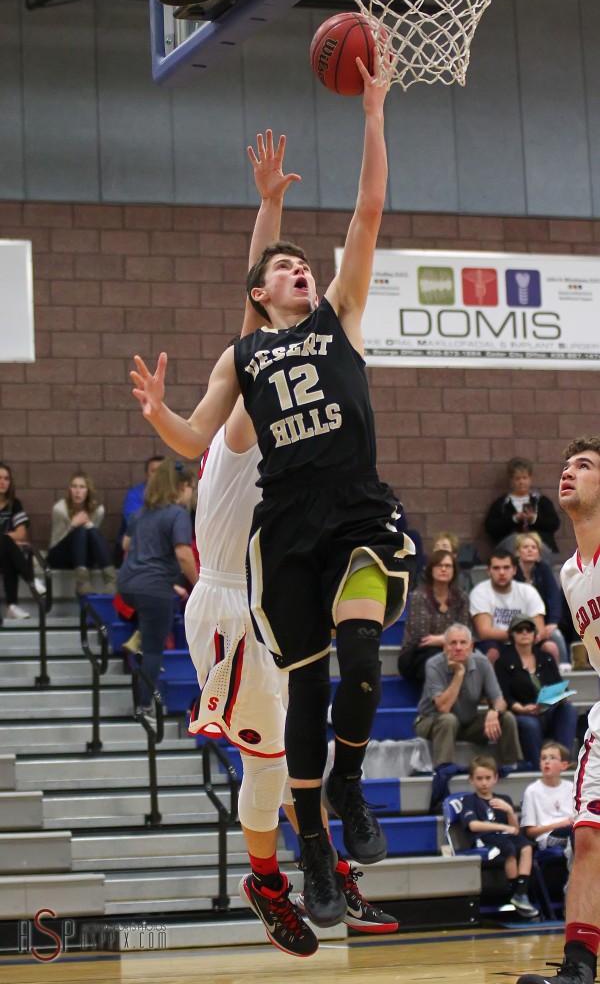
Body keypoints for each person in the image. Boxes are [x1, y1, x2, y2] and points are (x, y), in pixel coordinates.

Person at [130, 55, 417, 929]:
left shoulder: (330, 322)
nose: (296, 271)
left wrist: (368, 116)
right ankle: (285, 875)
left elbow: (358, 222)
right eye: (279, 269)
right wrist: (160, 412)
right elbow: (211, 395)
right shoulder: (246, 374)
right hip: (244, 582)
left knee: (350, 679)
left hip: (336, 524)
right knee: (269, 756)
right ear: (258, 298)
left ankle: (328, 833)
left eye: (302, 266)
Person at [185, 130, 396, 955]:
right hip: (233, 602)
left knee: (300, 732)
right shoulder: (245, 398)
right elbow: (254, 310)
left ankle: (321, 854)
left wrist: (272, 206)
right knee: (269, 762)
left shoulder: (281, 370)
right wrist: (269, 212)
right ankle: (273, 880)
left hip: (278, 582)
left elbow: (265, 303)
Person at [518, 438, 600, 984]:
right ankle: (577, 968)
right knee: (588, 835)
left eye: (585, 466)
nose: (568, 472)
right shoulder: (569, 573)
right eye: (567, 465)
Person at [118, 459, 198, 720]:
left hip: (128, 583)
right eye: (191, 488)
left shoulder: (142, 512)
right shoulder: (177, 514)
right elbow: (184, 554)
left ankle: (135, 643)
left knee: (148, 632)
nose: (192, 495)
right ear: (182, 487)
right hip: (153, 588)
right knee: (155, 649)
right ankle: (143, 706)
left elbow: (127, 542)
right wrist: (197, 585)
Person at [414, 623, 522, 770]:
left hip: (468, 724)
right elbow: (444, 707)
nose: (458, 647)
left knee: (507, 717)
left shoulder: (482, 663)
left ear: (471, 646)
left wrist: (494, 711)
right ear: (445, 647)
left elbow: (499, 700)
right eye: (453, 643)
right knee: (449, 719)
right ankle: (443, 769)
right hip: (432, 721)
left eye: (463, 643)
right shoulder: (434, 664)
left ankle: (511, 766)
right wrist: (459, 674)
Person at [494, 613, 578, 769]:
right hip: (522, 712)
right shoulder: (503, 662)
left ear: (534, 634)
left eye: (529, 629)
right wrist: (521, 708)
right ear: (512, 634)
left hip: (548, 709)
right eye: (519, 629)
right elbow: (504, 694)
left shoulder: (546, 657)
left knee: (569, 709)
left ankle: (562, 760)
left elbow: (560, 686)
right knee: (530, 724)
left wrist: (562, 697)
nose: (525, 632)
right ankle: (537, 765)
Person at [460, 754, 539, 918]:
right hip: (484, 838)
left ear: (495, 778)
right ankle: (515, 892)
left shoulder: (504, 799)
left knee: (526, 846)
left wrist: (509, 811)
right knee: (508, 848)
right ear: (471, 780)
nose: (484, 782)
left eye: (488, 778)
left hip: (505, 836)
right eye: (479, 778)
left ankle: (521, 894)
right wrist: (501, 826)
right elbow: (473, 825)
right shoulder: (469, 800)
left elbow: (515, 830)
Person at [397, 549, 471, 685]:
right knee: (436, 660)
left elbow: (464, 632)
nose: (443, 569)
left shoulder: (461, 597)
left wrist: (443, 639)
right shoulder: (419, 596)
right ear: (431, 569)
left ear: (454, 570)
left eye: (448, 566)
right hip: (416, 654)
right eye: (439, 565)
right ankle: (437, 702)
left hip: (453, 649)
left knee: (475, 657)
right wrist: (451, 640)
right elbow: (421, 637)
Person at [469, 548, 548, 663]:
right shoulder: (480, 592)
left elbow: (540, 629)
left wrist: (525, 637)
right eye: (496, 568)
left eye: (506, 568)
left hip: (526, 640)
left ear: (514, 570)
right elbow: (484, 632)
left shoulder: (528, 591)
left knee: (550, 647)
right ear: (488, 571)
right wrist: (519, 634)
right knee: (492, 652)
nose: (501, 572)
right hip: (494, 642)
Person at [48, 471, 118, 596]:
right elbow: (57, 539)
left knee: (91, 530)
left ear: (88, 490)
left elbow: (91, 539)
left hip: (84, 556)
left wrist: (89, 526)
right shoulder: (60, 509)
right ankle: (82, 582)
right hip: (59, 555)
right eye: (74, 486)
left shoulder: (98, 510)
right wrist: (72, 526)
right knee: (80, 530)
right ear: (69, 489)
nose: (77, 491)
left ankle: (111, 581)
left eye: (82, 487)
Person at [485, 456, 561, 557]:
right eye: (517, 478)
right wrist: (514, 519)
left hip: (541, 549)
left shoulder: (541, 501)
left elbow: (554, 524)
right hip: (511, 550)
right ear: (511, 480)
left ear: (530, 479)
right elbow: (491, 526)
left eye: (524, 478)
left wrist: (534, 518)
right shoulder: (501, 504)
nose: (521, 482)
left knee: (535, 545)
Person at [514, 531, 569, 664]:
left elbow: (554, 596)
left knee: (556, 635)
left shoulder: (543, 569)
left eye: (534, 547)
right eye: (525, 547)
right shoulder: (513, 572)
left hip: (543, 624)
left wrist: (553, 622)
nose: (530, 550)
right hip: (520, 625)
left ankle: (564, 667)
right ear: (518, 552)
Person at [520, 740, 574, 863]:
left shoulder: (571, 787)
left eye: (552, 758)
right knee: (576, 835)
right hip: (548, 837)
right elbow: (530, 831)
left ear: (564, 765)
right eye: (543, 758)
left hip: (571, 831)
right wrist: (558, 824)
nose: (547, 761)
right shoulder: (532, 791)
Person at [0, 462, 40, 621]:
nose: (2, 482)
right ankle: (32, 579)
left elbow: (22, 533)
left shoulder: (14, 504)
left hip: (4, 554)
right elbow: (15, 534)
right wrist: (8, 538)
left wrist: (6, 541)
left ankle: (12, 607)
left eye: (6, 478)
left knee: (6, 549)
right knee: (6, 542)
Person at [118, 455, 164, 546]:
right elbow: (133, 523)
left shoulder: (174, 493)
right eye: (154, 471)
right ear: (147, 474)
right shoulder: (135, 494)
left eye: (162, 471)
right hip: (137, 544)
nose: (158, 475)